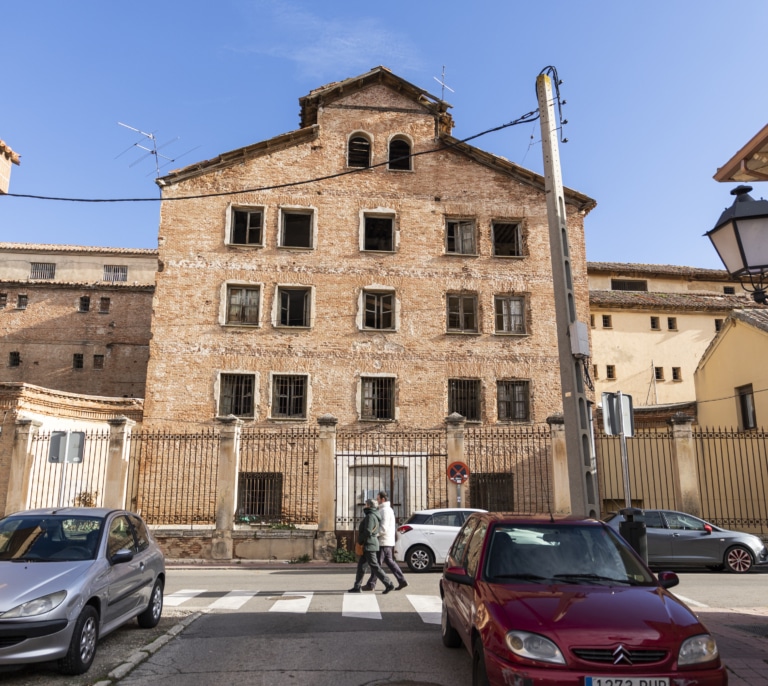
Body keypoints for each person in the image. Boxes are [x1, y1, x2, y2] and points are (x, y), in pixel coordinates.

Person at [363, 490, 408, 591]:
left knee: (376, 564)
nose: (377, 501)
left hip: (384, 541)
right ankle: (402, 580)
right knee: (389, 562)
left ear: (383, 499)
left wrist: (374, 535)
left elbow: (383, 528)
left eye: (378, 499)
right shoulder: (384, 510)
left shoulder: (385, 510)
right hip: (387, 541)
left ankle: (371, 584)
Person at [348, 498, 395, 594]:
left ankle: (389, 584)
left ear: (369, 506)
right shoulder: (372, 515)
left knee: (375, 566)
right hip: (368, 544)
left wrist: (360, 540)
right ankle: (357, 586)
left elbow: (368, 531)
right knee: (361, 566)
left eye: (366, 504)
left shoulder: (370, 516)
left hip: (369, 544)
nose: (364, 506)